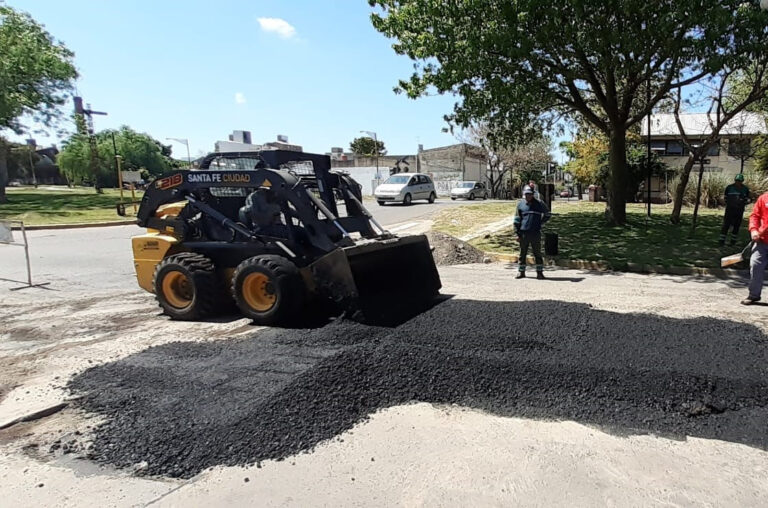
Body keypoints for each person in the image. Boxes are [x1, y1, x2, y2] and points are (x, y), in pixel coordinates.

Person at [514, 186, 551, 279]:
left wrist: (540, 222)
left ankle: (539, 272)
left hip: (535, 233)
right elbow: (517, 220)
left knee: (537, 253)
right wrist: (517, 233)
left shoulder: (539, 203)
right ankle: (521, 272)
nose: (528, 196)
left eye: (529, 194)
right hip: (524, 233)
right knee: (522, 253)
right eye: (526, 194)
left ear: (533, 194)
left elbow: (547, 214)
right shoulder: (520, 205)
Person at [743, 191, 768, 305]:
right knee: (755, 264)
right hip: (762, 241)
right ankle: (754, 295)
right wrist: (754, 230)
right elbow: (755, 216)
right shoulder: (764, 198)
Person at [720, 174, 750, 246]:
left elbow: (748, 198)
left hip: (739, 210)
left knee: (737, 225)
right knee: (726, 225)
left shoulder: (745, 189)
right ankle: (721, 240)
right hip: (729, 209)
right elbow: (725, 197)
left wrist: (744, 202)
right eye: (737, 181)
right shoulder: (729, 187)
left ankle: (733, 241)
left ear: (742, 181)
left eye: (739, 181)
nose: (738, 182)